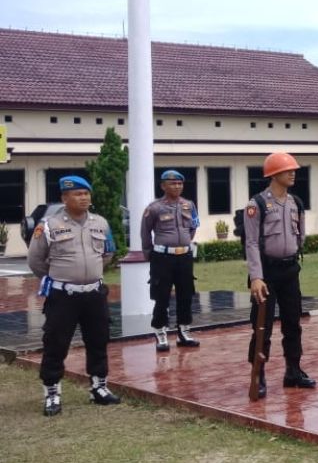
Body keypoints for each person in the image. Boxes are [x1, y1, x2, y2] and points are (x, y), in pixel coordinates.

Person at [27, 175, 121, 416]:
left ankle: (99, 387)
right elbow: (35, 261)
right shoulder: (48, 225)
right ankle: (52, 393)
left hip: (94, 294)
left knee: (98, 340)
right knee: (56, 343)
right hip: (63, 296)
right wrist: (61, 277)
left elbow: (108, 254)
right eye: (77, 194)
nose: (83, 198)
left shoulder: (101, 223)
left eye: (86, 193)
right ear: (64, 198)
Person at [245, 151, 314, 396]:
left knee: (293, 323)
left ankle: (293, 371)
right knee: (262, 326)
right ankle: (259, 374)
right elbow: (251, 243)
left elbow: (301, 234)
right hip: (266, 273)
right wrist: (256, 277)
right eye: (288, 170)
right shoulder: (257, 205)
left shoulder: (296, 202)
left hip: (289, 270)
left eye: (294, 170)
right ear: (274, 174)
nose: (293, 173)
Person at [141, 169, 201, 351]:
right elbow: (145, 232)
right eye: (172, 183)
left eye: (180, 183)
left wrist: (185, 242)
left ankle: (184, 331)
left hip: (184, 256)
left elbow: (193, 226)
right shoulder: (154, 208)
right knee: (162, 296)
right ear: (163, 186)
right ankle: (160, 332)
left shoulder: (188, 205)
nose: (177, 186)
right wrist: (148, 253)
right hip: (162, 257)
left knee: (186, 294)